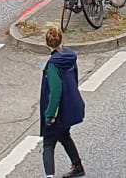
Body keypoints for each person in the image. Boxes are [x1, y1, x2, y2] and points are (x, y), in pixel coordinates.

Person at [39, 23, 87, 176]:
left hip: (57, 112)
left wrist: (50, 115)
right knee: (64, 135)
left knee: (48, 143)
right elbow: (74, 80)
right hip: (69, 107)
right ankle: (77, 166)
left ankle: (49, 175)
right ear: (61, 40)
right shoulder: (70, 57)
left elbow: (55, 91)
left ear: (47, 44)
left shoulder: (53, 65)